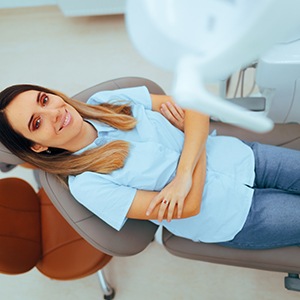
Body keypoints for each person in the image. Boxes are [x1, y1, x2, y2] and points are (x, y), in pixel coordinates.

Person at [1, 84, 300, 250]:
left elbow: (196, 106)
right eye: (36, 122)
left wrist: (183, 173)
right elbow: (190, 206)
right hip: (236, 217)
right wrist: (192, 139)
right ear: (36, 146)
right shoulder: (88, 185)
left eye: (44, 99)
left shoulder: (107, 101)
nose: (54, 112)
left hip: (243, 157)